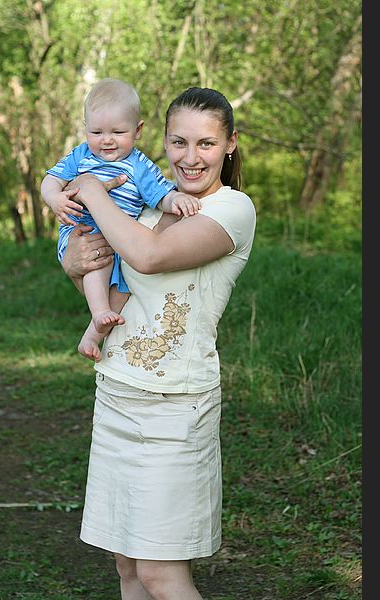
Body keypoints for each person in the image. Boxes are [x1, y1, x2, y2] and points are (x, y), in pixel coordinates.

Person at [61, 87, 256, 600]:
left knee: (160, 574)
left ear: (230, 145)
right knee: (127, 567)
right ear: (161, 142)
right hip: (118, 393)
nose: (190, 157)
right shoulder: (149, 203)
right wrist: (73, 262)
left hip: (175, 408)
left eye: (206, 144)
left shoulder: (232, 210)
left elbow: (145, 258)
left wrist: (88, 187)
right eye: (179, 142)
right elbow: (106, 277)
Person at [41, 78, 200, 361]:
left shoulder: (139, 166)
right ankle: (99, 313)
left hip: (119, 241)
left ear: (137, 131)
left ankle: (93, 332)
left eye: (117, 131)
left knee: (126, 282)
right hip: (83, 230)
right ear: (86, 129)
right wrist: (54, 198)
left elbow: (161, 194)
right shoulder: (81, 155)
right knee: (97, 266)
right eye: (97, 131)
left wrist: (177, 200)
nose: (106, 140)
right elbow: (51, 179)